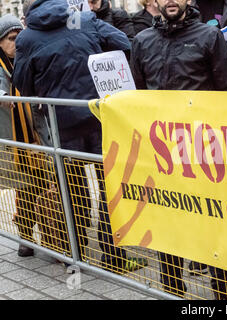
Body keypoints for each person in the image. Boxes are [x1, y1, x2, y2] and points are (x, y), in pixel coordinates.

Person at [12, 0, 147, 274]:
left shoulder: (27, 37)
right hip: (100, 116)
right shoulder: (84, 19)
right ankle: (113, 257)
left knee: (73, 191)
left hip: (62, 122)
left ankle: (77, 255)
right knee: (109, 187)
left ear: (28, 12)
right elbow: (123, 43)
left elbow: (22, 83)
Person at [131, 0, 227, 299]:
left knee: (214, 223)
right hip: (162, 154)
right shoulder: (141, 41)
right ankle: (173, 292)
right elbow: (138, 94)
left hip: (204, 152)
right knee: (168, 225)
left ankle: (224, 294)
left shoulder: (208, 36)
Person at [0, 14, 50, 257]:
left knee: (47, 185)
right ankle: (26, 236)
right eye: (11, 38)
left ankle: (54, 237)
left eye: (19, 35)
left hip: (38, 134)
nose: (16, 42)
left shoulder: (29, 58)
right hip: (15, 141)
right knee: (25, 189)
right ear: (0, 42)